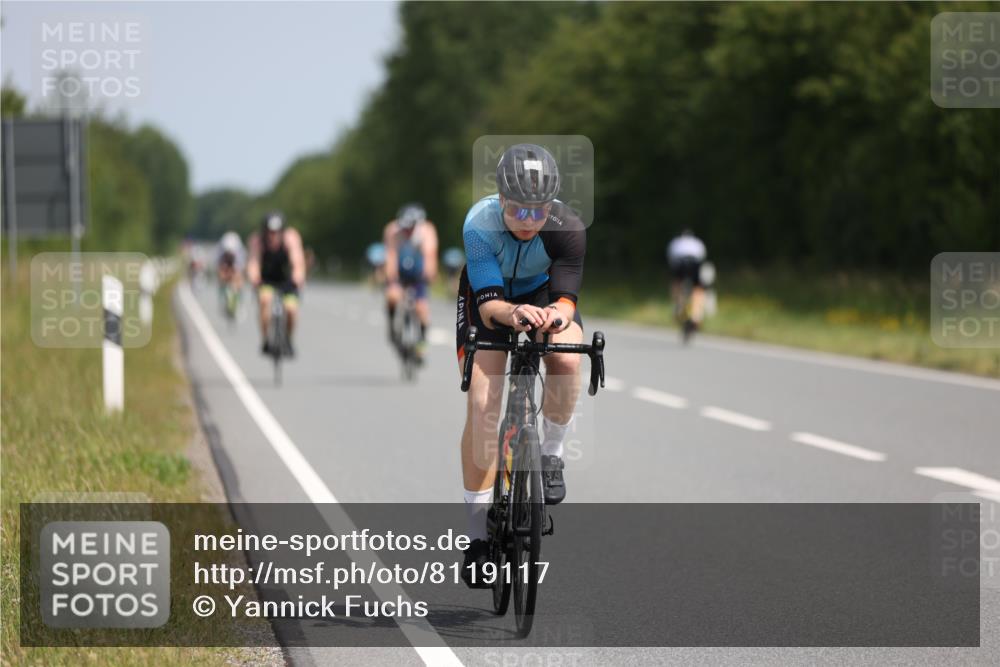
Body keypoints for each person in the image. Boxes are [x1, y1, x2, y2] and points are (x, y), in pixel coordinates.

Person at [455, 143, 586, 586]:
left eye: (539, 211)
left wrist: (555, 317)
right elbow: (490, 304)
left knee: (568, 354)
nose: (529, 221)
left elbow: (567, 299)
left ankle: (551, 455)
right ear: (501, 201)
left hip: (542, 294)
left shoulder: (566, 226)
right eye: (519, 211)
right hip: (488, 298)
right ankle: (476, 536)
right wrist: (513, 315)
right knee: (482, 403)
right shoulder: (479, 224)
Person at [383, 203, 439, 361]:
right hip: (400, 271)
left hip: (418, 273)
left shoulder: (427, 231)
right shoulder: (392, 230)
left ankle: (421, 342)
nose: (407, 231)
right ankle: (392, 327)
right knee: (392, 296)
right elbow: (391, 256)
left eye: (411, 227)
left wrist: (428, 276)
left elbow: (430, 256)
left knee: (421, 309)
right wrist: (392, 281)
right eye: (405, 227)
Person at [246, 211, 306, 356]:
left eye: (276, 232)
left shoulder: (291, 238)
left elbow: (297, 261)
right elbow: (253, 263)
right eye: (270, 232)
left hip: (287, 280)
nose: (273, 236)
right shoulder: (257, 241)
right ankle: (266, 338)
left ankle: (288, 339)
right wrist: (254, 278)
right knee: (264, 300)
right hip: (266, 280)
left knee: (291, 309)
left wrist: (297, 278)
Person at [666, 229, 708, 330]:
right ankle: (696, 316)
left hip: (680, 264)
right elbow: (702, 256)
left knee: (676, 283)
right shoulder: (697, 242)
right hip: (694, 263)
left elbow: (670, 257)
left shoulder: (675, 242)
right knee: (698, 289)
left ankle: (678, 305)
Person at [216, 231, 246, 316]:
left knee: (238, 280)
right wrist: (223, 276)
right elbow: (219, 268)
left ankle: (239, 300)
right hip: (223, 263)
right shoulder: (220, 252)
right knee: (222, 277)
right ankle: (222, 298)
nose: (229, 254)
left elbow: (239, 270)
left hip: (236, 265)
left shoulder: (240, 253)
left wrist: (235, 279)